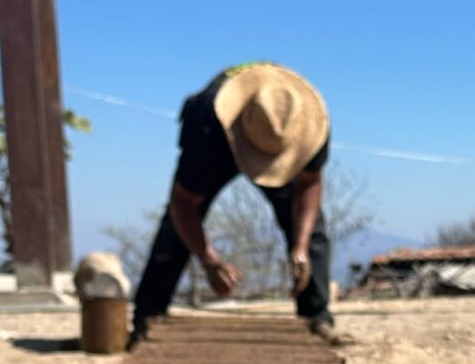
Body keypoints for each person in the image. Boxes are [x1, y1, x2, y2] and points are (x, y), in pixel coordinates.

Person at [131, 63, 334, 341]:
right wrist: (209, 260)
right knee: (175, 229)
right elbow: (183, 203)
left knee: (311, 231)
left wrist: (300, 247)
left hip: (270, 138)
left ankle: (317, 316)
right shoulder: (207, 125)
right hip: (219, 137)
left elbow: (310, 183)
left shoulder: (309, 122)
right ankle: (148, 315)